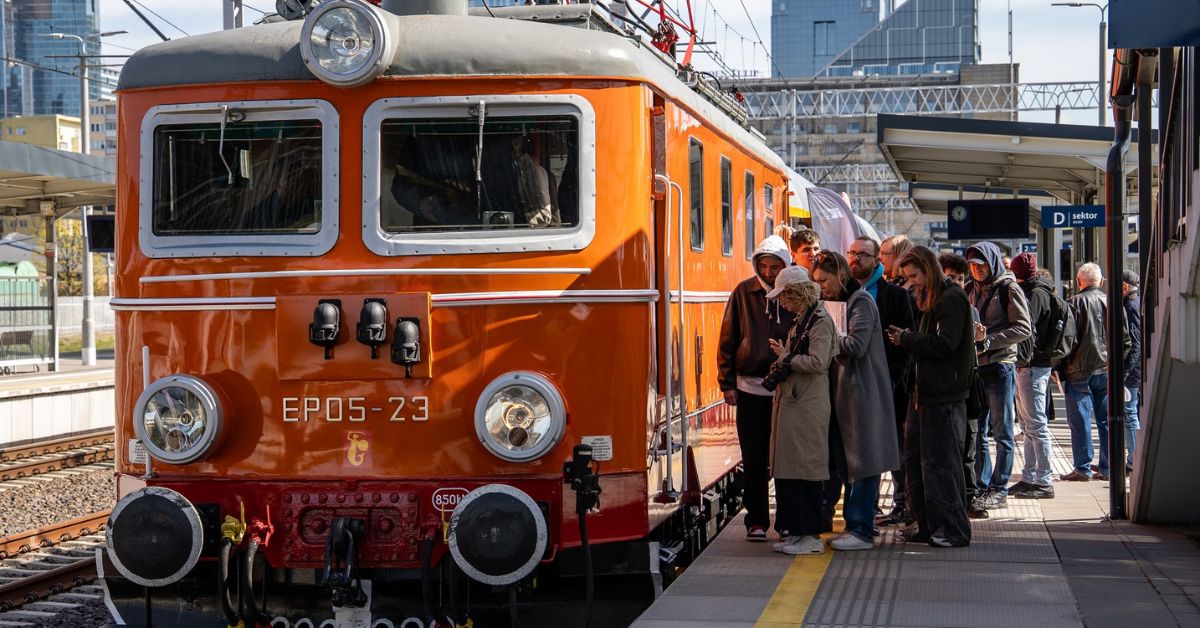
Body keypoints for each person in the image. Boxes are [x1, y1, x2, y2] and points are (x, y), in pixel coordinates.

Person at [811, 251, 900, 551]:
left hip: (862, 394)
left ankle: (861, 528)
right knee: (848, 463)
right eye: (817, 282)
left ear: (839, 274)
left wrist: (823, 340)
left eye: (824, 280)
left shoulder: (860, 301)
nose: (822, 286)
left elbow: (857, 345)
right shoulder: (839, 303)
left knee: (863, 461)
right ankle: (855, 524)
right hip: (844, 394)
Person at [887, 246, 974, 548]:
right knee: (918, 463)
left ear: (927, 269)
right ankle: (927, 524)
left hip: (942, 395)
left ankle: (951, 529)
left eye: (914, 275)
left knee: (941, 465)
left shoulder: (950, 298)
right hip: (924, 393)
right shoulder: (935, 295)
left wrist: (907, 339)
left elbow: (945, 344)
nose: (912, 282)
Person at [718, 235, 797, 541]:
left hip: (787, 388)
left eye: (774, 266)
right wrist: (727, 382)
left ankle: (787, 518)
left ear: (785, 265)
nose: (767, 272)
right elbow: (728, 337)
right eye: (763, 266)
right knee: (753, 457)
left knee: (786, 457)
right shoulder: (743, 292)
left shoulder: (792, 292)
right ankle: (757, 520)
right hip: (750, 386)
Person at [766, 272, 837, 555]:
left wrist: (786, 357)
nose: (782, 302)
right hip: (798, 402)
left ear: (797, 293)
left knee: (805, 469)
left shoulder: (819, 321)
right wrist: (785, 354)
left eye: (784, 295)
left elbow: (819, 361)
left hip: (806, 403)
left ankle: (809, 535)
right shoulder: (806, 319)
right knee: (792, 468)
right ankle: (796, 531)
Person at [847, 236, 916, 526]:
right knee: (857, 447)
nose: (855, 259)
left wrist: (891, 378)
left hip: (888, 385)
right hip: (851, 387)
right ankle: (868, 505)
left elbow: (906, 342)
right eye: (852, 253)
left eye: (862, 254)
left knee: (895, 446)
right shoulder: (842, 293)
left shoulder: (896, 296)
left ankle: (901, 503)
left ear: (877, 260)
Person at [965, 242, 1031, 510]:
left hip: (1001, 365)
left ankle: (999, 487)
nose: (977, 269)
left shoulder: (1008, 289)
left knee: (1002, 431)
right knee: (977, 431)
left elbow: (1023, 328)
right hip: (976, 367)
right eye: (972, 265)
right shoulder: (970, 288)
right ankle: (981, 485)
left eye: (981, 264)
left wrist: (987, 341)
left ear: (991, 262)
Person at [1060, 263, 1128, 481]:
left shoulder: (1074, 303)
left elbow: (1068, 339)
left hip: (1079, 369)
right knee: (1107, 419)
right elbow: (1125, 339)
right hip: (1107, 369)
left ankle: (1083, 468)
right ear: (1101, 281)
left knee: (1080, 421)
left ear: (1080, 281)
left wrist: (1060, 367)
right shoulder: (1114, 302)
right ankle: (1108, 468)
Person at [1007, 253, 1056, 499]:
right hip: (1030, 365)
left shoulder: (1035, 294)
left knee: (1036, 425)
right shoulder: (1039, 290)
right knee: (1029, 426)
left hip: (1033, 365)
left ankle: (1044, 480)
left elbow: (1026, 328)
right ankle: (1029, 477)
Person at [510, 134, 558, 227]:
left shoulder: (533, 171)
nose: (513, 147)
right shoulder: (522, 171)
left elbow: (544, 214)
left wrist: (519, 222)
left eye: (516, 144)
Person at [1121, 269, 1142, 474]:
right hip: (1134, 370)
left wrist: (1124, 373)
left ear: (1125, 287)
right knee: (1131, 413)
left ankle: (1133, 460)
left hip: (1132, 372)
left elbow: (1135, 344)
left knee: (1129, 414)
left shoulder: (1130, 307)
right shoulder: (1135, 303)